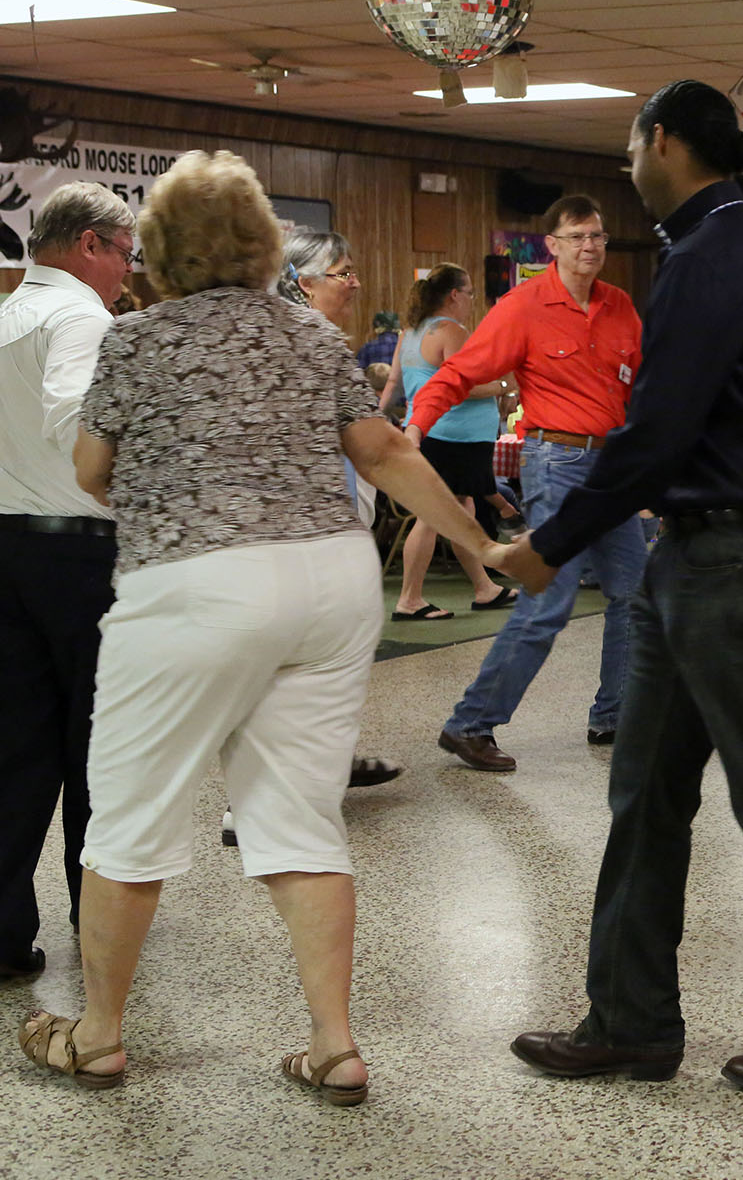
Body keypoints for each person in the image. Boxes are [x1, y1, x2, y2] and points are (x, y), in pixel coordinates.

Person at [17, 150, 512, 1102]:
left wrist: (170, 488)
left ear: (156, 247)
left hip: (197, 586)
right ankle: (333, 1045)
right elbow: (386, 453)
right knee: (299, 818)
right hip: (328, 586)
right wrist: (478, 546)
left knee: (127, 815)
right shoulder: (313, 338)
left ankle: (99, 1034)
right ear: (258, 242)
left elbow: (89, 470)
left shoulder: (135, 342)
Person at [504, 81, 743, 1095]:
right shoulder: (726, 247)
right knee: (644, 795)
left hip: (737, 556)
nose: (629, 159)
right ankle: (631, 1019)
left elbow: (654, 435)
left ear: (663, 142)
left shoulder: (715, 257)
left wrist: (554, 540)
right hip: (704, 552)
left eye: (632, 142)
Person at [408, 195, 646, 770]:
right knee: (550, 600)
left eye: (598, 237)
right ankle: (470, 724)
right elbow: (459, 372)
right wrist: (415, 428)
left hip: (612, 468)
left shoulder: (620, 307)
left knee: (635, 594)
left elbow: (645, 386)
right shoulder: (524, 306)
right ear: (553, 246)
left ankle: (616, 715)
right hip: (557, 463)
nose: (590, 246)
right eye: (578, 237)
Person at [0, 182, 133, 983]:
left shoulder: (7, 312)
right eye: (124, 254)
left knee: (14, 751)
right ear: (89, 244)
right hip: (77, 555)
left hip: (5, 549)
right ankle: (101, 920)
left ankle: (5, 934)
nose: (126, 271)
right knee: (99, 747)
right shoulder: (80, 316)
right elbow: (72, 417)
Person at [277, 231, 404, 797]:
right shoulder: (294, 343)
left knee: (327, 655)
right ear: (303, 283)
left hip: (331, 523)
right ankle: (262, 797)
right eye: (342, 273)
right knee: (298, 658)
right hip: (301, 532)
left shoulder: (324, 342)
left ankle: (332, 755)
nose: (354, 283)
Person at [389, 263, 521, 620]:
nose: (471, 301)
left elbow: (394, 384)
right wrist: (505, 387)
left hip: (431, 430)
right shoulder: (451, 330)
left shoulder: (410, 332)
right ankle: (409, 599)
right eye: (470, 294)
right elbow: (463, 387)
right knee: (433, 514)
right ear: (454, 295)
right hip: (453, 435)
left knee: (463, 510)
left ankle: (484, 587)